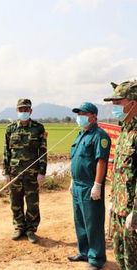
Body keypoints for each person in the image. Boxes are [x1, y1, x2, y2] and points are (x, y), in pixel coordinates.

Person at [68, 102, 111, 270]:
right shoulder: (81, 134)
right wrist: (72, 180)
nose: (80, 117)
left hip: (89, 185)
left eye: (84, 114)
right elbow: (76, 159)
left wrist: (98, 185)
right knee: (80, 221)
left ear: (94, 116)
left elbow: (101, 161)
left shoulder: (99, 135)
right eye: (79, 114)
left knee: (93, 222)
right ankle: (84, 252)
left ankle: (96, 258)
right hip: (78, 185)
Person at [3, 98, 47, 244]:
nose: (23, 112)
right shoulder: (10, 129)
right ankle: (19, 227)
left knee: (32, 202)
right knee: (15, 202)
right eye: (20, 110)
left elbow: (43, 152)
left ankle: (31, 230)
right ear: (17, 111)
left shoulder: (38, 128)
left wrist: (42, 172)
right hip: (15, 173)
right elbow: (6, 153)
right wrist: (6, 172)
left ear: (30, 111)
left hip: (32, 173)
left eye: (26, 110)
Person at [104, 81, 137, 270]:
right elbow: (120, 171)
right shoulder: (124, 129)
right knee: (120, 257)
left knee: (133, 261)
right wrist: (113, 199)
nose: (115, 107)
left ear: (133, 102)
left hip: (132, 211)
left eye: (118, 102)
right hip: (119, 207)